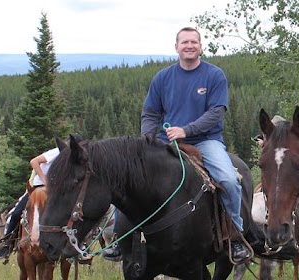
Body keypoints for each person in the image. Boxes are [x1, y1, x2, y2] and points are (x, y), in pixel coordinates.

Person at [105, 27, 250, 263]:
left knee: (228, 180)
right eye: (185, 42)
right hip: (166, 142)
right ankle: (121, 239)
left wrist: (187, 130)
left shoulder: (214, 75)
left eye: (194, 42)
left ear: (200, 46)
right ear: (176, 47)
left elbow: (216, 112)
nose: (190, 45)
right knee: (129, 178)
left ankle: (235, 236)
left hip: (206, 141)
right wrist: (147, 139)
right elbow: (150, 112)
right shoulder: (163, 78)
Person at [0, 147, 60, 259]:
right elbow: (34, 162)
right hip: (38, 188)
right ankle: (7, 243)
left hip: (55, 191)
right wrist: (45, 181)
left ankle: (77, 245)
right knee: (16, 213)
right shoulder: (56, 153)